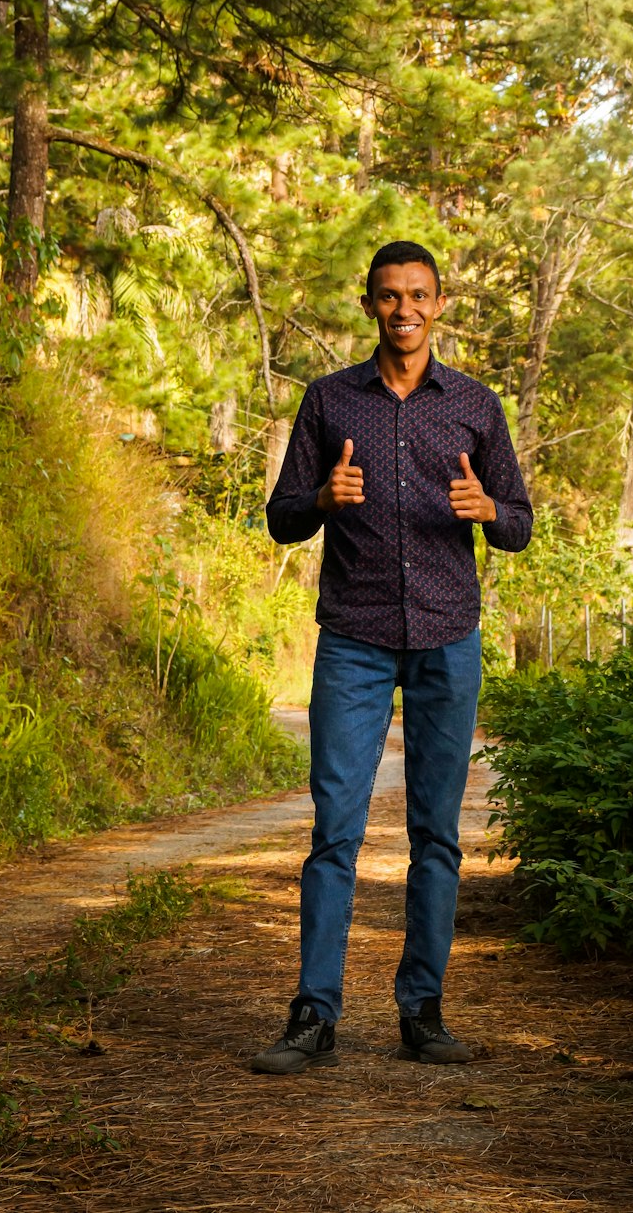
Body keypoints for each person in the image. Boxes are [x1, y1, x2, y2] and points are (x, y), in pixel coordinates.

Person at [251, 240, 532, 1074]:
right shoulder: (330, 401)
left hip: (449, 637)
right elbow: (281, 519)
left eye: (418, 296)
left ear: (439, 304)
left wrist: (488, 508)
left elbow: (519, 522)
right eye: (388, 297)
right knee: (335, 829)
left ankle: (424, 1010)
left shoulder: (477, 407)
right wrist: (318, 497)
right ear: (369, 304)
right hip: (354, 640)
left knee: (435, 834)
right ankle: (314, 1013)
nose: (404, 310)